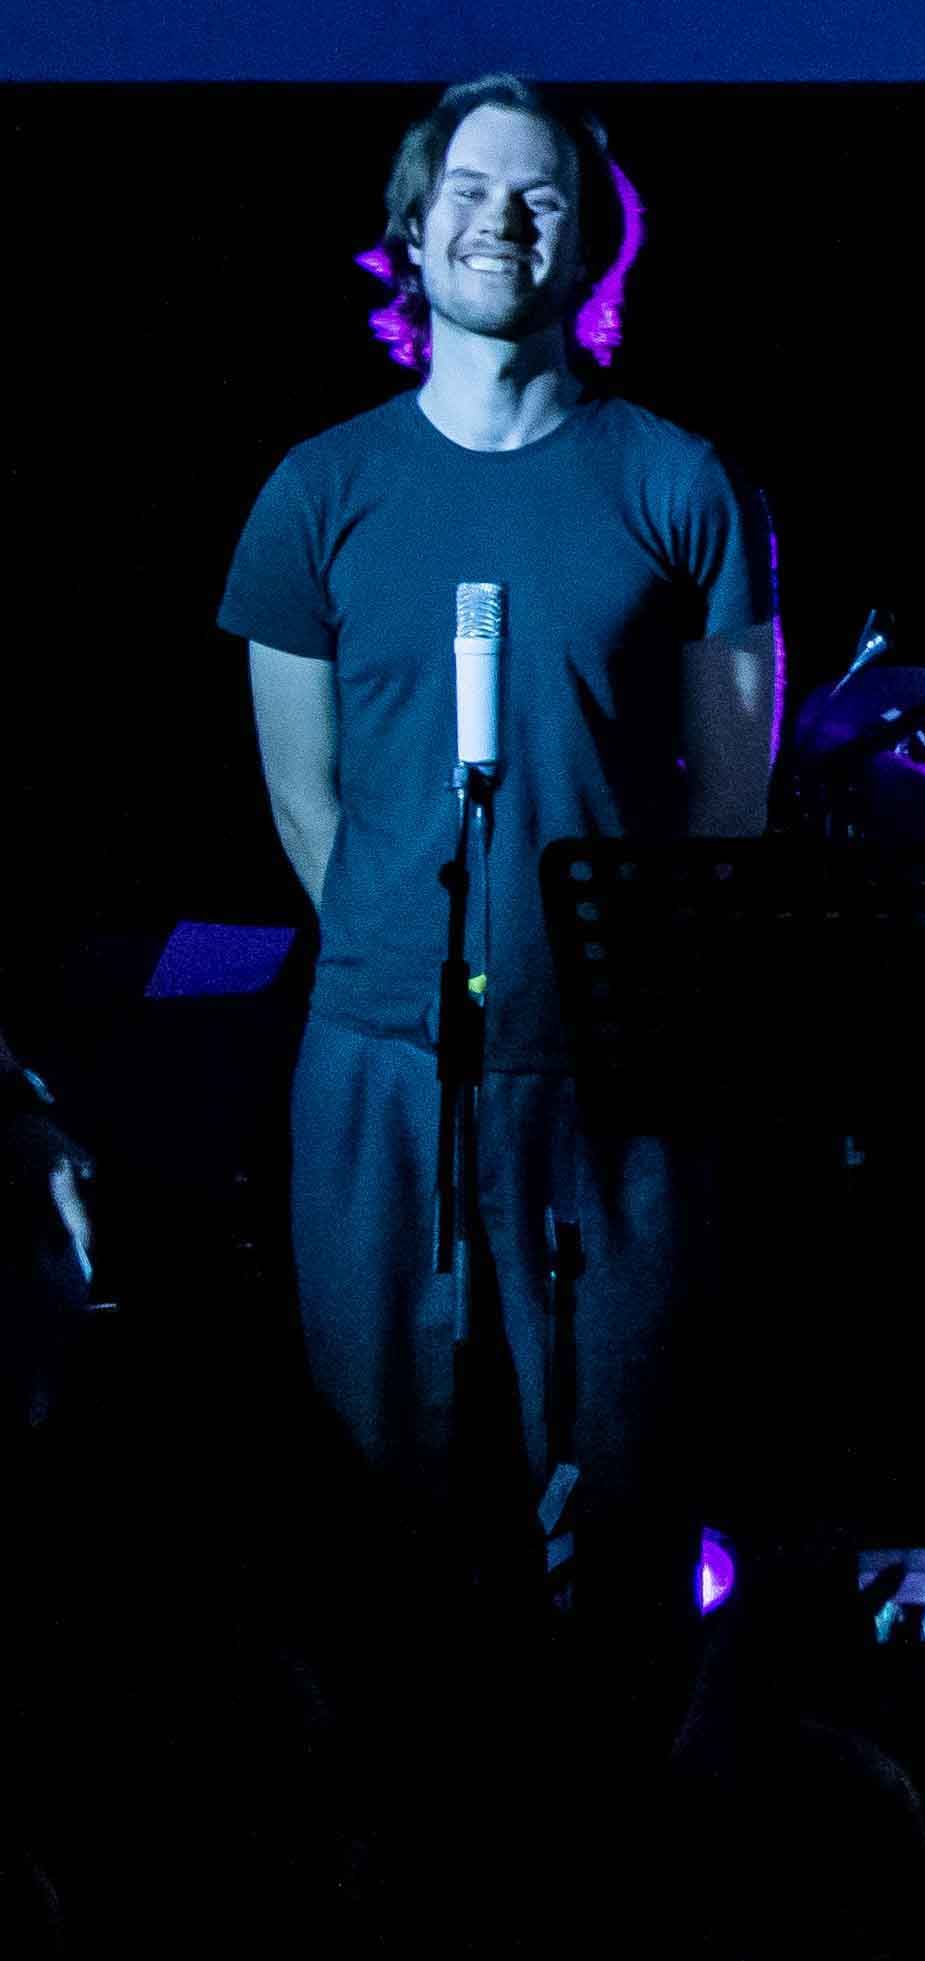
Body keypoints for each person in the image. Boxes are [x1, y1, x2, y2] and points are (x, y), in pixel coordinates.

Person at [220, 75, 776, 1627]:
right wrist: (406, 967)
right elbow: (307, 803)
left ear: (590, 240)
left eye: (540, 195)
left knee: (623, 1514)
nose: (501, 220)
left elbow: (728, 811)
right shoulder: (319, 491)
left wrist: (595, 995)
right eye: (468, 189)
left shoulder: (682, 483)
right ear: (412, 228)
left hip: (616, 1080)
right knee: (382, 1521)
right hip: (380, 1075)